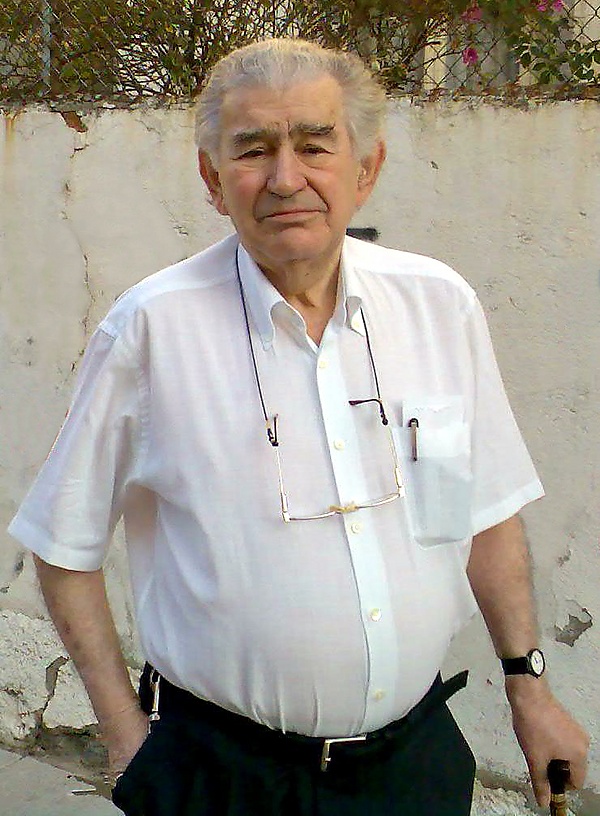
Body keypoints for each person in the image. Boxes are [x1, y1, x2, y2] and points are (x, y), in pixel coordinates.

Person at [8, 37, 588, 816]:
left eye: (315, 145)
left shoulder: (437, 308)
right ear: (213, 179)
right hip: (223, 779)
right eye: (254, 150)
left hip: (414, 768)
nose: (286, 179)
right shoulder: (151, 331)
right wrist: (126, 740)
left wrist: (530, 687)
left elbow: (480, 513)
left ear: (366, 168)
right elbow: (63, 547)